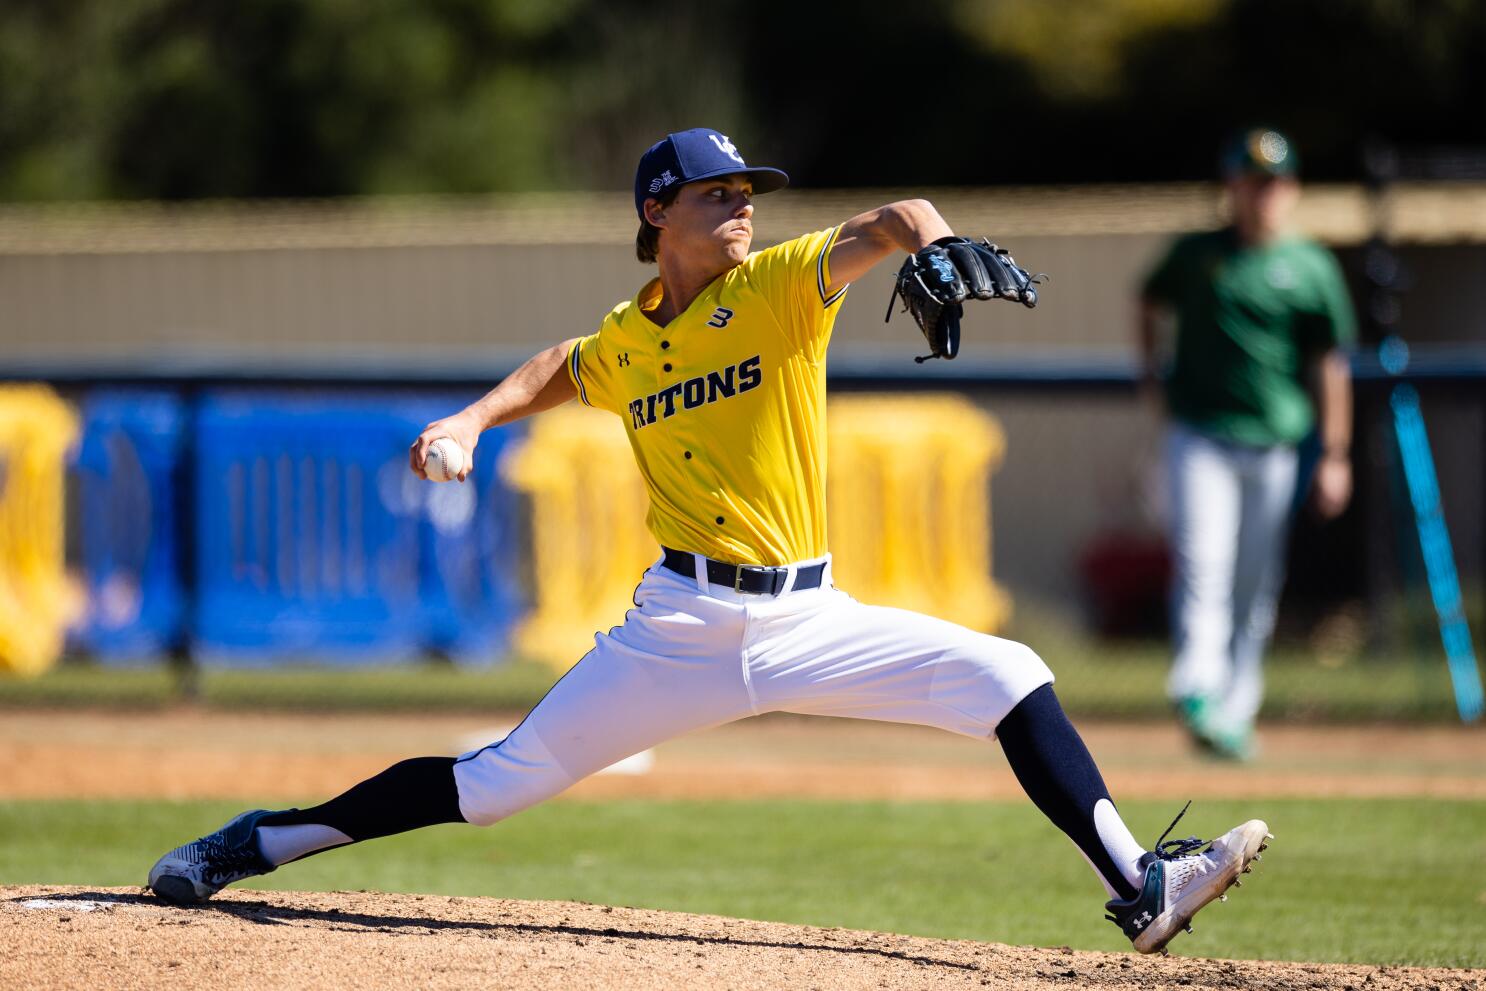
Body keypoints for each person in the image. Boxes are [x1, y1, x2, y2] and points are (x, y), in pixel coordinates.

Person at [149, 127, 1270, 955]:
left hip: (809, 615)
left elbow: (897, 216)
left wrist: (936, 240)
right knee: (495, 784)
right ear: (656, 213)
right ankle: (258, 842)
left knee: (1008, 673)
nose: (742, 205)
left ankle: (1140, 884)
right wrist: (469, 420)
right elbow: (562, 364)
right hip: (677, 627)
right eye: (716, 191)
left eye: (747, 189)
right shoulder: (631, 340)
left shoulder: (782, 288)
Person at [1138, 128, 1356, 760]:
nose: (1260, 196)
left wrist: (1337, 454)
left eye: (1272, 183)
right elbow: (1148, 302)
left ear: (1289, 190)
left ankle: (1235, 709)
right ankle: (1197, 688)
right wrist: (1151, 378)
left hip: (1275, 442)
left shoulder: (1310, 265)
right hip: (1201, 433)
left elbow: (1330, 363)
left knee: (1256, 580)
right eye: (1249, 182)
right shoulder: (1198, 254)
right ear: (1231, 187)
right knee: (1203, 560)